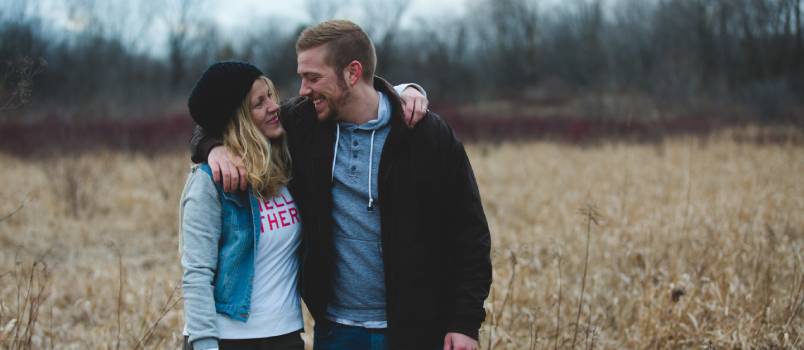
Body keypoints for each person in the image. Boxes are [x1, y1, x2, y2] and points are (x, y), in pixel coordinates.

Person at [193, 20, 491, 350]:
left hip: (417, 331)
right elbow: (232, 116)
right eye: (301, 77)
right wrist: (211, 146)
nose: (303, 90)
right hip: (336, 332)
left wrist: (464, 323)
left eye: (313, 77)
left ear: (352, 73)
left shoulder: (424, 134)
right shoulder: (303, 123)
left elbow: (469, 233)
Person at [182, 61, 428, 350]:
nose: (274, 106)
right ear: (237, 121)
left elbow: (347, 99)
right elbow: (197, 274)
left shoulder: (286, 161)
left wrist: (404, 91)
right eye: (259, 103)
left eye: (270, 95)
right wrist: (205, 345)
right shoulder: (209, 184)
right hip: (229, 340)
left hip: (285, 337)